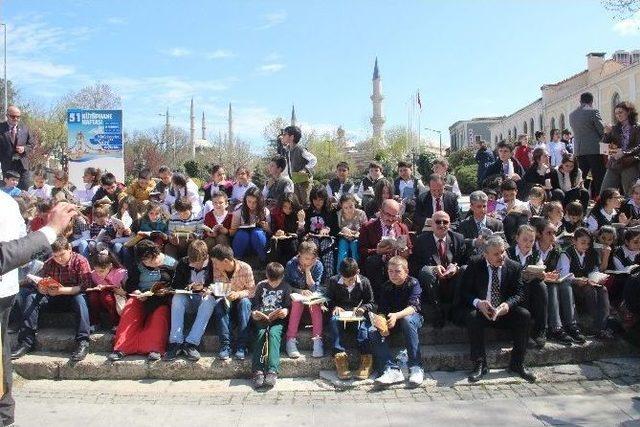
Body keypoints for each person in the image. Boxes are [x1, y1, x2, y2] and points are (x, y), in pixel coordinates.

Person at [0, 196, 76, 427]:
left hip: (5, 291)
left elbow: (18, 248)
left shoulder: (7, 202)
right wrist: (51, 230)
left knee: (2, 358)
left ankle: (4, 416)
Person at [460, 235, 536, 383]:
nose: (501, 256)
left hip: (503, 311)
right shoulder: (475, 264)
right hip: (483, 311)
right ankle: (480, 364)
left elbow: (519, 293)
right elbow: (464, 291)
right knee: (472, 317)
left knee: (524, 315)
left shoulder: (513, 266)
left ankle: (517, 363)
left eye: (502, 252)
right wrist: (478, 303)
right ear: (485, 254)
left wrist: (507, 305)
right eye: (496, 254)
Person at [12, 237, 92, 362]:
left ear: (69, 249)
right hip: (53, 298)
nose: (59, 258)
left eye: (62, 254)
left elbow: (85, 286)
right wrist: (41, 288)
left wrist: (62, 290)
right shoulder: (49, 263)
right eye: (56, 256)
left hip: (72, 298)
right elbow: (39, 280)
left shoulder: (80, 261)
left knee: (81, 299)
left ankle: (83, 342)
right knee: (32, 297)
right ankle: (26, 342)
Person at [108, 240, 177, 361]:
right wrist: (136, 292)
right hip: (140, 297)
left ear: (155, 253)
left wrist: (166, 291)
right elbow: (130, 284)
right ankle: (122, 347)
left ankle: (154, 347)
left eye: (150, 259)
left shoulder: (172, 263)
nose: (148, 263)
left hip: (161, 299)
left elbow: (177, 284)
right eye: (144, 261)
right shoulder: (137, 265)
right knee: (129, 310)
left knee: (159, 318)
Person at [370, 256, 424, 386]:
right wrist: (381, 321)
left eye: (398, 271)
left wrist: (396, 316)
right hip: (393, 320)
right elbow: (382, 310)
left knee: (406, 319)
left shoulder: (413, 283)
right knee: (372, 331)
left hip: (412, 318)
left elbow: (413, 307)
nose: (393, 275)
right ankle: (391, 369)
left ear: (406, 271)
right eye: (390, 271)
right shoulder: (386, 286)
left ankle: (416, 367)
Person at [533, 219, 586, 346]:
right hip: (535, 284)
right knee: (551, 286)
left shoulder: (557, 250)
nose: (553, 236)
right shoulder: (532, 248)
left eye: (554, 233)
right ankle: (555, 327)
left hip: (552, 281)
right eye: (549, 233)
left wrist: (559, 277)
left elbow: (562, 273)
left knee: (565, 284)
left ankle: (572, 325)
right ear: (539, 234)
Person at [165, 240, 217, 362]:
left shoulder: (213, 264)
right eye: (192, 263)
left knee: (209, 299)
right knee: (177, 298)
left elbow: (219, 284)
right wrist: (189, 286)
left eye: (198, 263)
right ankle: (175, 342)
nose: (195, 266)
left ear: (205, 257)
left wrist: (206, 288)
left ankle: (191, 343)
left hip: (205, 299)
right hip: (189, 298)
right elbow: (175, 284)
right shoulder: (184, 262)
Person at [557, 227, 612, 339]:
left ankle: (601, 327)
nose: (586, 246)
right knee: (589, 289)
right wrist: (577, 280)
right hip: (574, 287)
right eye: (582, 242)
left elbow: (595, 271)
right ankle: (596, 322)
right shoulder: (566, 253)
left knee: (603, 290)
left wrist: (597, 279)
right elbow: (564, 275)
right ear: (574, 241)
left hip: (588, 284)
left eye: (588, 243)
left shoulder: (592, 253)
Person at [412, 211, 467, 322]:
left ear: (450, 224)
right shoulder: (421, 240)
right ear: (432, 224)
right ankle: (437, 310)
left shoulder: (458, 238)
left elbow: (465, 260)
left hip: (452, 281)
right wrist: (433, 269)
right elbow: (415, 266)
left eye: (445, 222)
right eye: (438, 222)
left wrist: (455, 267)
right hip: (431, 282)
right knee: (427, 271)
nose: (442, 225)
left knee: (464, 269)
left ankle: (455, 309)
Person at [326, 258, 374, 380]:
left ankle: (366, 358)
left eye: (351, 280)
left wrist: (363, 308)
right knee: (333, 321)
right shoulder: (333, 281)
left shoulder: (364, 282)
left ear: (357, 272)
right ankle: (340, 356)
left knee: (363, 329)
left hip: (357, 315)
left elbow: (371, 302)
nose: (348, 283)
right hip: (341, 315)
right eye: (345, 280)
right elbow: (328, 300)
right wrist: (335, 307)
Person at [359, 199, 412, 300]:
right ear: (381, 212)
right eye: (388, 215)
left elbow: (409, 248)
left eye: (394, 215)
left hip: (397, 262)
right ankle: (375, 299)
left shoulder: (402, 228)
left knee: (403, 265)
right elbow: (362, 250)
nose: (391, 219)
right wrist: (377, 251)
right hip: (378, 263)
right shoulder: (368, 227)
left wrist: (405, 252)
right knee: (373, 261)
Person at [506, 225, 548, 349]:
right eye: (525, 240)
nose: (528, 243)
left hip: (531, 285)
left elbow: (541, 269)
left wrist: (540, 274)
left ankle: (540, 330)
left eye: (531, 241)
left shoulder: (535, 254)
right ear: (517, 238)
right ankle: (523, 333)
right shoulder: (509, 252)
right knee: (523, 288)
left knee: (541, 287)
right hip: (513, 287)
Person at [211, 244, 255, 360]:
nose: (214, 265)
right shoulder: (217, 269)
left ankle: (242, 346)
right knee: (219, 305)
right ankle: (226, 345)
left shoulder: (245, 268)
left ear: (225, 261)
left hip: (241, 303)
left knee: (245, 303)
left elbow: (252, 291)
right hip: (226, 302)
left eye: (216, 262)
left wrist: (238, 294)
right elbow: (219, 288)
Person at [251, 262, 291, 389]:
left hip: (277, 320)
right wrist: (254, 313)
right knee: (261, 334)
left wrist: (285, 311)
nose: (273, 284)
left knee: (274, 334)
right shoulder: (261, 286)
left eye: (276, 281)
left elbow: (287, 306)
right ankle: (258, 370)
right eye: (270, 280)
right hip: (262, 318)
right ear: (266, 275)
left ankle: (272, 370)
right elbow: (255, 305)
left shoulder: (285, 287)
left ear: (282, 277)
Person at [284, 241, 325, 358]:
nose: (310, 261)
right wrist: (300, 291)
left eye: (312, 258)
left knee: (315, 304)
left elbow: (314, 287)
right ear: (299, 255)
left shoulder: (318, 265)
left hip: (311, 296)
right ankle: (290, 340)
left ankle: (317, 340)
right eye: (306, 258)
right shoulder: (291, 264)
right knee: (297, 303)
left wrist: (307, 271)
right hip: (295, 296)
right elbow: (286, 286)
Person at [569, 92, 606, 199]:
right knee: (599, 176)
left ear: (580, 101)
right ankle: (600, 200)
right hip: (594, 149)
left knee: (581, 176)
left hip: (579, 150)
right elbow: (601, 130)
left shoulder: (572, 115)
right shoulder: (593, 111)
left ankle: (577, 199)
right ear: (591, 101)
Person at [602, 101, 640, 195]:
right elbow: (603, 147)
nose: (618, 115)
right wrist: (606, 134)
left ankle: (631, 210)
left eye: (620, 112)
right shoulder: (614, 129)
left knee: (630, 193)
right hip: (614, 164)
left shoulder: (637, 127)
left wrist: (624, 152)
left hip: (630, 163)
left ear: (628, 112)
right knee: (605, 193)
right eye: (616, 113)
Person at [88, 249, 127, 333]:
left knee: (106, 296)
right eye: (96, 271)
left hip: (115, 298)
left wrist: (107, 287)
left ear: (110, 266)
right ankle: (95, 322)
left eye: (101, 271)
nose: (99, 274)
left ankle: (116, 323)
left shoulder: (120, 273)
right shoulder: (94, 274)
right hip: (100, 298)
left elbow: (124, 289)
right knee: (93, 296)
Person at [457, 190, 504, 258]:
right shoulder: (463, 225)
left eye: (484, 206)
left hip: (493, 260)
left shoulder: (497, 224)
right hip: (472, 261)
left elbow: (505, 243)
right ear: (472, 207)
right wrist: (474, 242)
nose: (482, 209)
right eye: (479, 206)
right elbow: (460, 244)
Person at [229, 186, 270, 262]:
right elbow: (231, 233)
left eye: (255, 202)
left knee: (257, 233)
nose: (251, 205)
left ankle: (263, 260)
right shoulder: (239, 211)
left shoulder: (264, 211)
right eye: (249, 201)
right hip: (243, 243)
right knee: (242, 235)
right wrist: (235, 227)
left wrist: (267, 228)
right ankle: (237, 261)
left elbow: (270, 232)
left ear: (259, 201)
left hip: (259, 242)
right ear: (245, 200)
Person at [0, 105, 35, 190]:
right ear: (7, 115)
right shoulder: (1, 128)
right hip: (7, 165)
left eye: (18, 117)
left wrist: (24, 148)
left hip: (22, 166)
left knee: (23, 191)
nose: (16, 119)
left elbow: (32, 144)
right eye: (13, 116)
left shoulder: (25, 128)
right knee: (8, 191)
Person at [282, 125, 317, 208]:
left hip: (304, 180)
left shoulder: (299, 149)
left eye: (285, 134)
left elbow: (313, 159)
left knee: (306, 203)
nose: (283, 136)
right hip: (296, 179)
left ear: (292, 137)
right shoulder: (288, 149)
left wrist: (305, 169)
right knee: (297, 203)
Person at [332, 193, 367, 268]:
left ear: (354, 204)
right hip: (343, 238)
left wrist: (356, 233)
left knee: (354, 246)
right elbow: (335, 229)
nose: (349, 210)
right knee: (342, 248)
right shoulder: (339, 214)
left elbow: (365, 229)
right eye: (346, 208)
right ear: (342, 207)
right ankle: (340, 272)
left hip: (357, 238)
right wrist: (342, 231)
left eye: (351, 207)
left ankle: (355, 270)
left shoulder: (361, 214)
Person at [269, 193, 304, 266]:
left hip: (295, 241)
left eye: (290, 207)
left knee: (292, 244)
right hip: (283, 238)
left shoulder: (299, 213)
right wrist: (277, 232)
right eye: (285, 207)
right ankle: (275, 268)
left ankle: (290, 266)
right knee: (274, 243)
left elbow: (302, 232)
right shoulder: (278, 213)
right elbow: (274, 228)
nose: (287, 210)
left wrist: (301, 222)